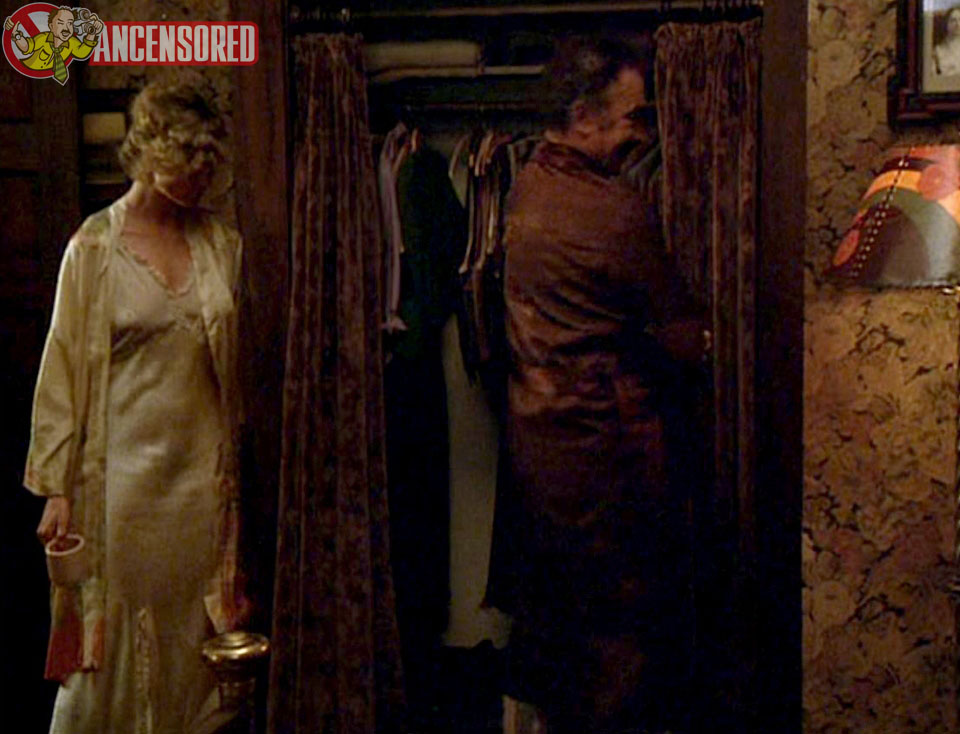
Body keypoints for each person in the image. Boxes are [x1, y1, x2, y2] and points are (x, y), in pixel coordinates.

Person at [24, 78, 247, 734]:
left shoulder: (221, 246)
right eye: (190, 159)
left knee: (193, 650)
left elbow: (233, 374)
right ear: (152, 152)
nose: (202, 175)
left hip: (199, 491)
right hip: (122, 492)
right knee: (111, 657)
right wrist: (55, 487)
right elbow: (61, 368)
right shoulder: (93, 249)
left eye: (210, 162)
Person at [501, 37, 708, 734]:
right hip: (606, 450)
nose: (641, 134)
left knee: (561, 612)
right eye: (631, 118)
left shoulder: (527, 184)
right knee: (621, 622)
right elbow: (682, 334)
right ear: (583, 117)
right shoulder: (617, 210)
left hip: (538, 445)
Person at [3, 6, 103, 85]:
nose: (66, 28)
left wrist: (92, 33)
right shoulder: (43, 38)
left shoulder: (71, 42)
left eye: (70, 24)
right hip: (26, 76)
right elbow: (27, 47)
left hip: (54, 85)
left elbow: (82, 52)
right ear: (51, 26)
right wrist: (16, 35)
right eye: (60, 23)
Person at [934, 6, 960, 76]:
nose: (958, 24)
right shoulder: (938, 50)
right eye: (953, 20)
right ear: (946, 24)